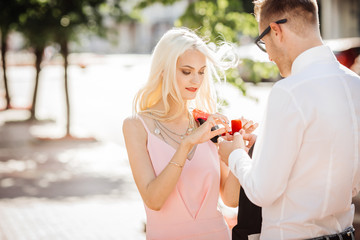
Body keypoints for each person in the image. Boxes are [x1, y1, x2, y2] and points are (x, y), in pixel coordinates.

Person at [218, 0, 360, 240]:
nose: (269, 56)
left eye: (264, 43)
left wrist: (235, 153)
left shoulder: (288, 91)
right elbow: (353, 182)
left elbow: (261, 191)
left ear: (276, 30)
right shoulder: (355, 85)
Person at [122, 27, 257, 240]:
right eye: (187, 71)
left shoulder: (207, 124)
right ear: (164, 70)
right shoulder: (136, 126)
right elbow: (154, 200)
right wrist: (187, 143)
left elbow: (230, 199)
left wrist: (241, 151)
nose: (196, 80)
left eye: (201, 71)